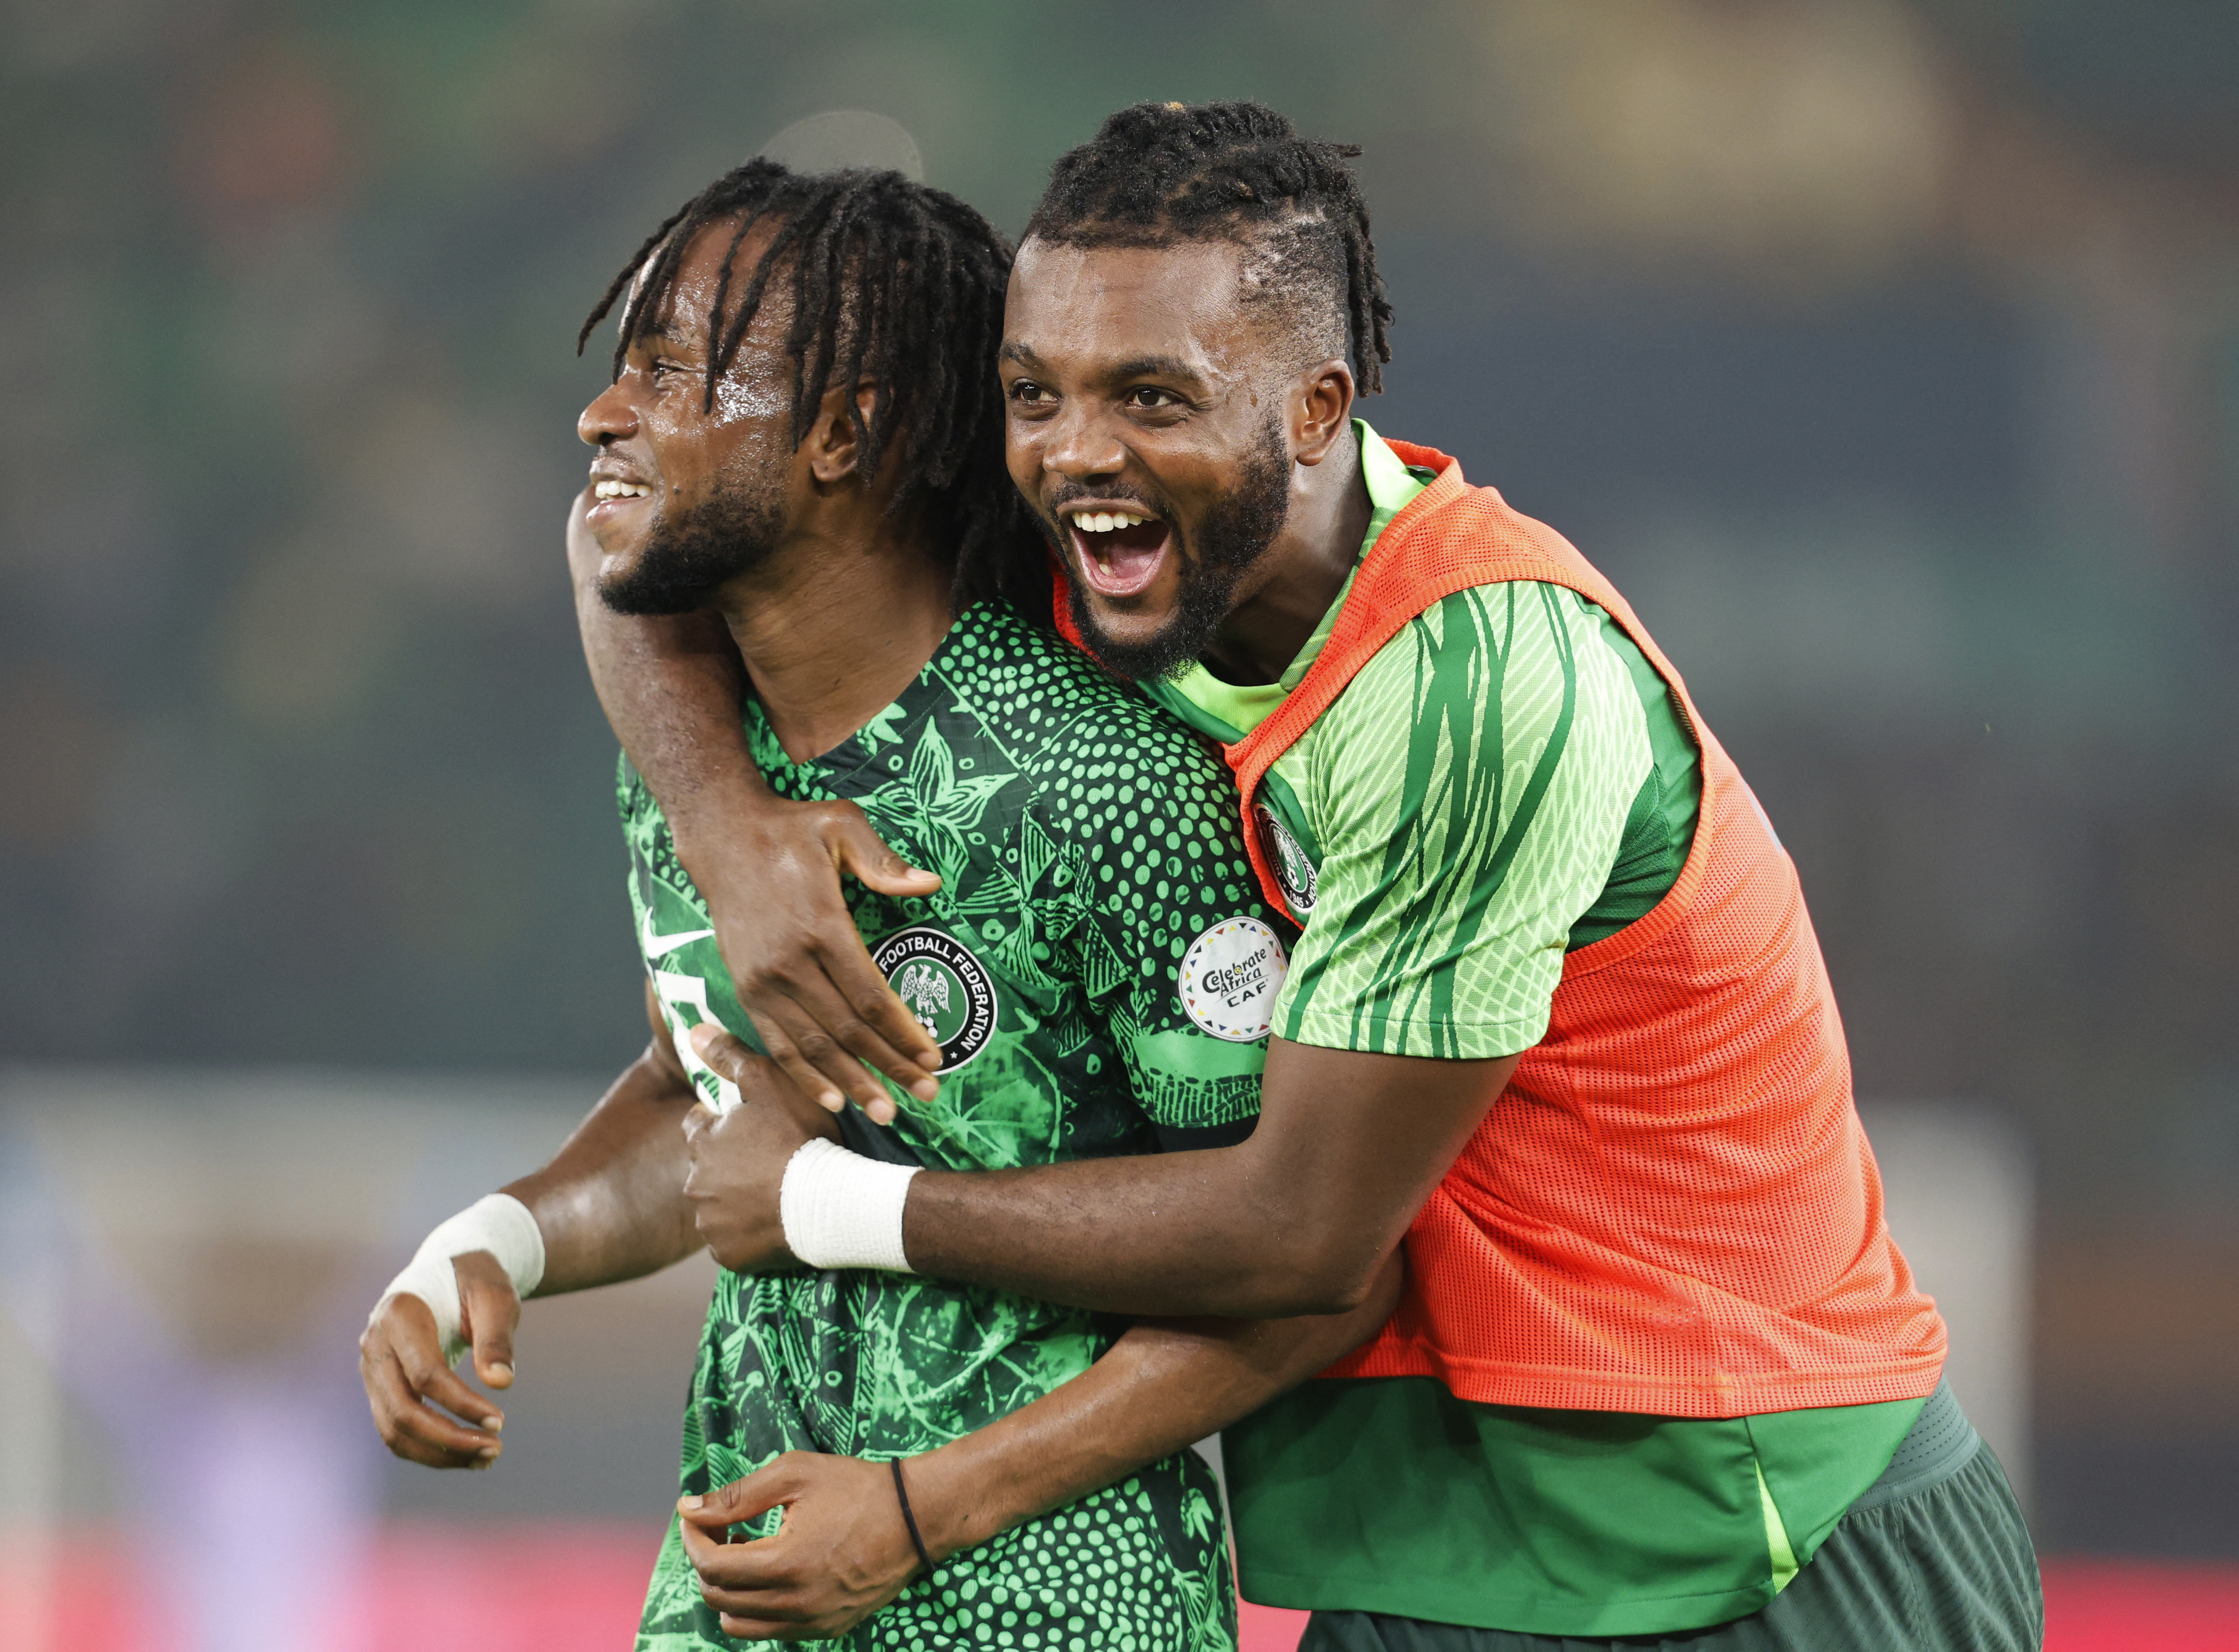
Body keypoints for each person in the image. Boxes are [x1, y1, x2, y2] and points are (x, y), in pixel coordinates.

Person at [618, 105, 2047, 1650]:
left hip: (1749, 1524)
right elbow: (636, 525)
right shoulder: (1098, 530)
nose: (1076, 450)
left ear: (1313, 408)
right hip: (1423, 1545)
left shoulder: (1474, 685)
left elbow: (1300, 1235)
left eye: (1152, 396)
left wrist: (830, 1203)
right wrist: (724, 824)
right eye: (1034, 394)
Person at [357, 156, 1402, 1652]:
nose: (603, 414)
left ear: (846, 431)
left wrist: (926, 1503)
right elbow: (710, 1102)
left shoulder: (1105, 788)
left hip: (1039, 1606)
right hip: (743, 1591)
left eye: (669, 370)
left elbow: (1311, 1274)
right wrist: (496, 1241)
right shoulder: (694, 753)